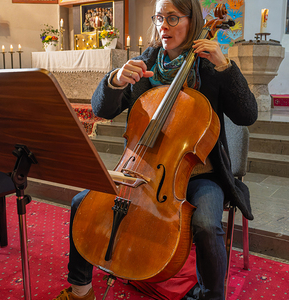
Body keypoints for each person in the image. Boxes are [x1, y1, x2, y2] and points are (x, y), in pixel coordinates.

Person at [54, 0, 257, 299]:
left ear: (193, 21)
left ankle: (209, 295)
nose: (164, 25)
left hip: (202, 173)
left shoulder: (211, 67)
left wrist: (226, 67)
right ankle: (80, 289)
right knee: (81, 202)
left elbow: (247, 115)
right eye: (160, 17)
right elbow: (102, 109)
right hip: (141, 169)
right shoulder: (144, 63)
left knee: (205, 223)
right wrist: (115, 80)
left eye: (173, 18)